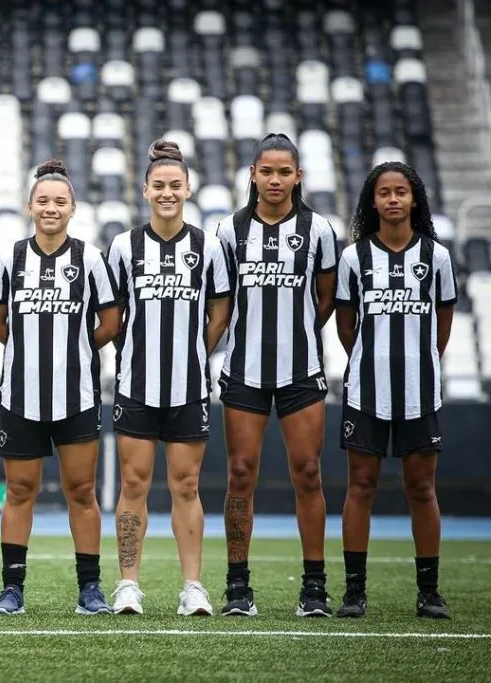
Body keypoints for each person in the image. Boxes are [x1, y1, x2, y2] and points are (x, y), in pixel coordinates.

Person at [0, 160, 120, 616]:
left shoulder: (91, 258)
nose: (50, 207)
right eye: (42, 200)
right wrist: (28, 347)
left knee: (81, 491)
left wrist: (76, 346)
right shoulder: (11, 258)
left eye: (59, 201)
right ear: (29, 206)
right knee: (19, 490)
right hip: (20, 395)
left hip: (77, 395)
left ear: (73, 208)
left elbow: (111, 321)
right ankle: (12, 589)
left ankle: (90, 589)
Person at [215, 133, 338, 617]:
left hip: (301, 372)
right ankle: (238, 586)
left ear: (299, 176)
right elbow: (222, 304)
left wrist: (297, 335)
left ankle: (313, 586)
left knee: (307, 474)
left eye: (284, 171)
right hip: (243, 370)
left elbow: (325, 299)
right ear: (252, 174)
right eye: (266, 171)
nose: (275, 179)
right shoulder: (230, 230)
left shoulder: (319, 231)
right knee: (240, 474)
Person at [108, 140, 232, 616]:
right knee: (133, 484)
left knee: (186, 485)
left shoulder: (209, 247)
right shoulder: (124, 246)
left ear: (188, 188)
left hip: (188, 386)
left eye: (174, 185)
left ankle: (193, 586)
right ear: (145, 190)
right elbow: (113, 314)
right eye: (158, 185)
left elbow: (221, 308)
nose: (166, 193)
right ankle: (128, 584)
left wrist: (197, 350)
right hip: (137, 385)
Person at [335, 162, 456, 619]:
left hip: (419, 391)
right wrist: (376, 358)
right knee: (360, 486)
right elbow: (348, 328)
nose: (392, 200)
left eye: (400, 192)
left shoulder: (436, 258)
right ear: (372, 201)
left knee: (421, 488)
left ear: (413, 199)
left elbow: (442, 326)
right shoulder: (354, 258)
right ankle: (354, 592)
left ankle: (429, 592)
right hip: (366, 390)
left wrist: (418, 360)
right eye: (383, 192)